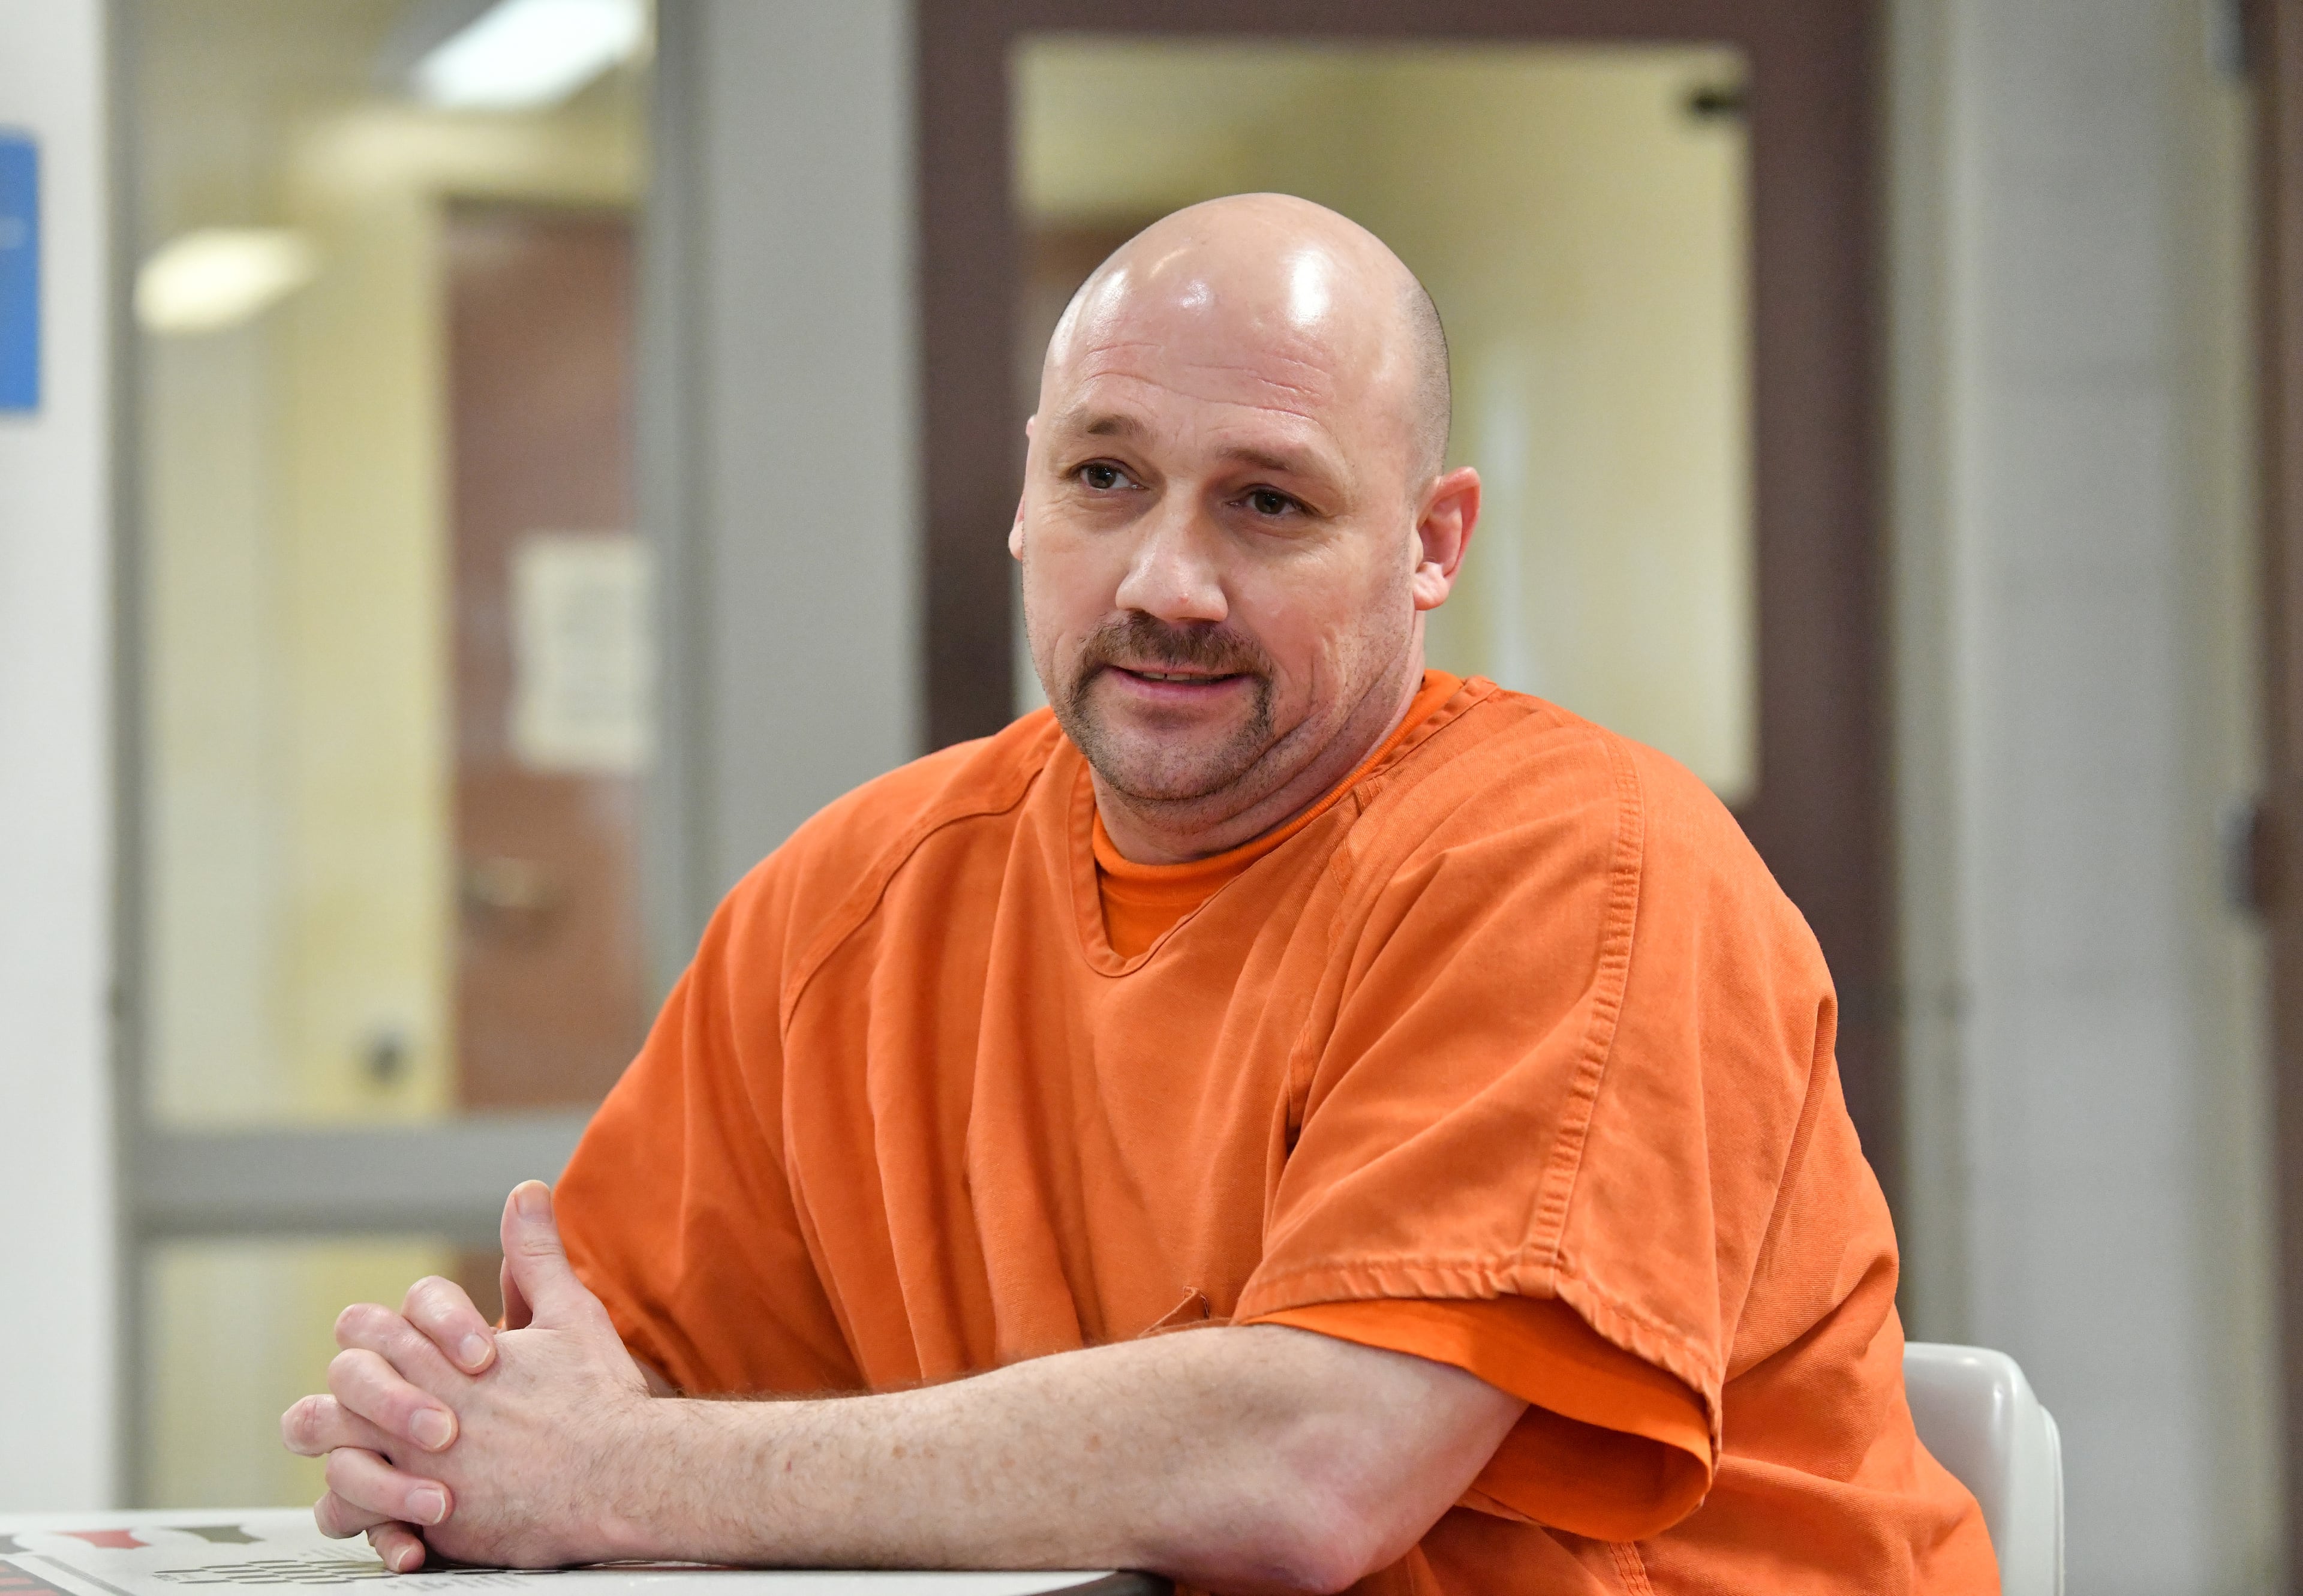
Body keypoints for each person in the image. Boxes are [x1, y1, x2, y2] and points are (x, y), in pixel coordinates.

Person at [281, 193, 1995, 1594]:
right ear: (1027, 498)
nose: (1170, 580)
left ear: (1432, 544)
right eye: (1107, 478)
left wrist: (618, 1474)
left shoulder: (1571, 866)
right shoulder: (850, 905)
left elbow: (1312, 1473)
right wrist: (452, 1436)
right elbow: (601, 1406)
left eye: (1269, 502)